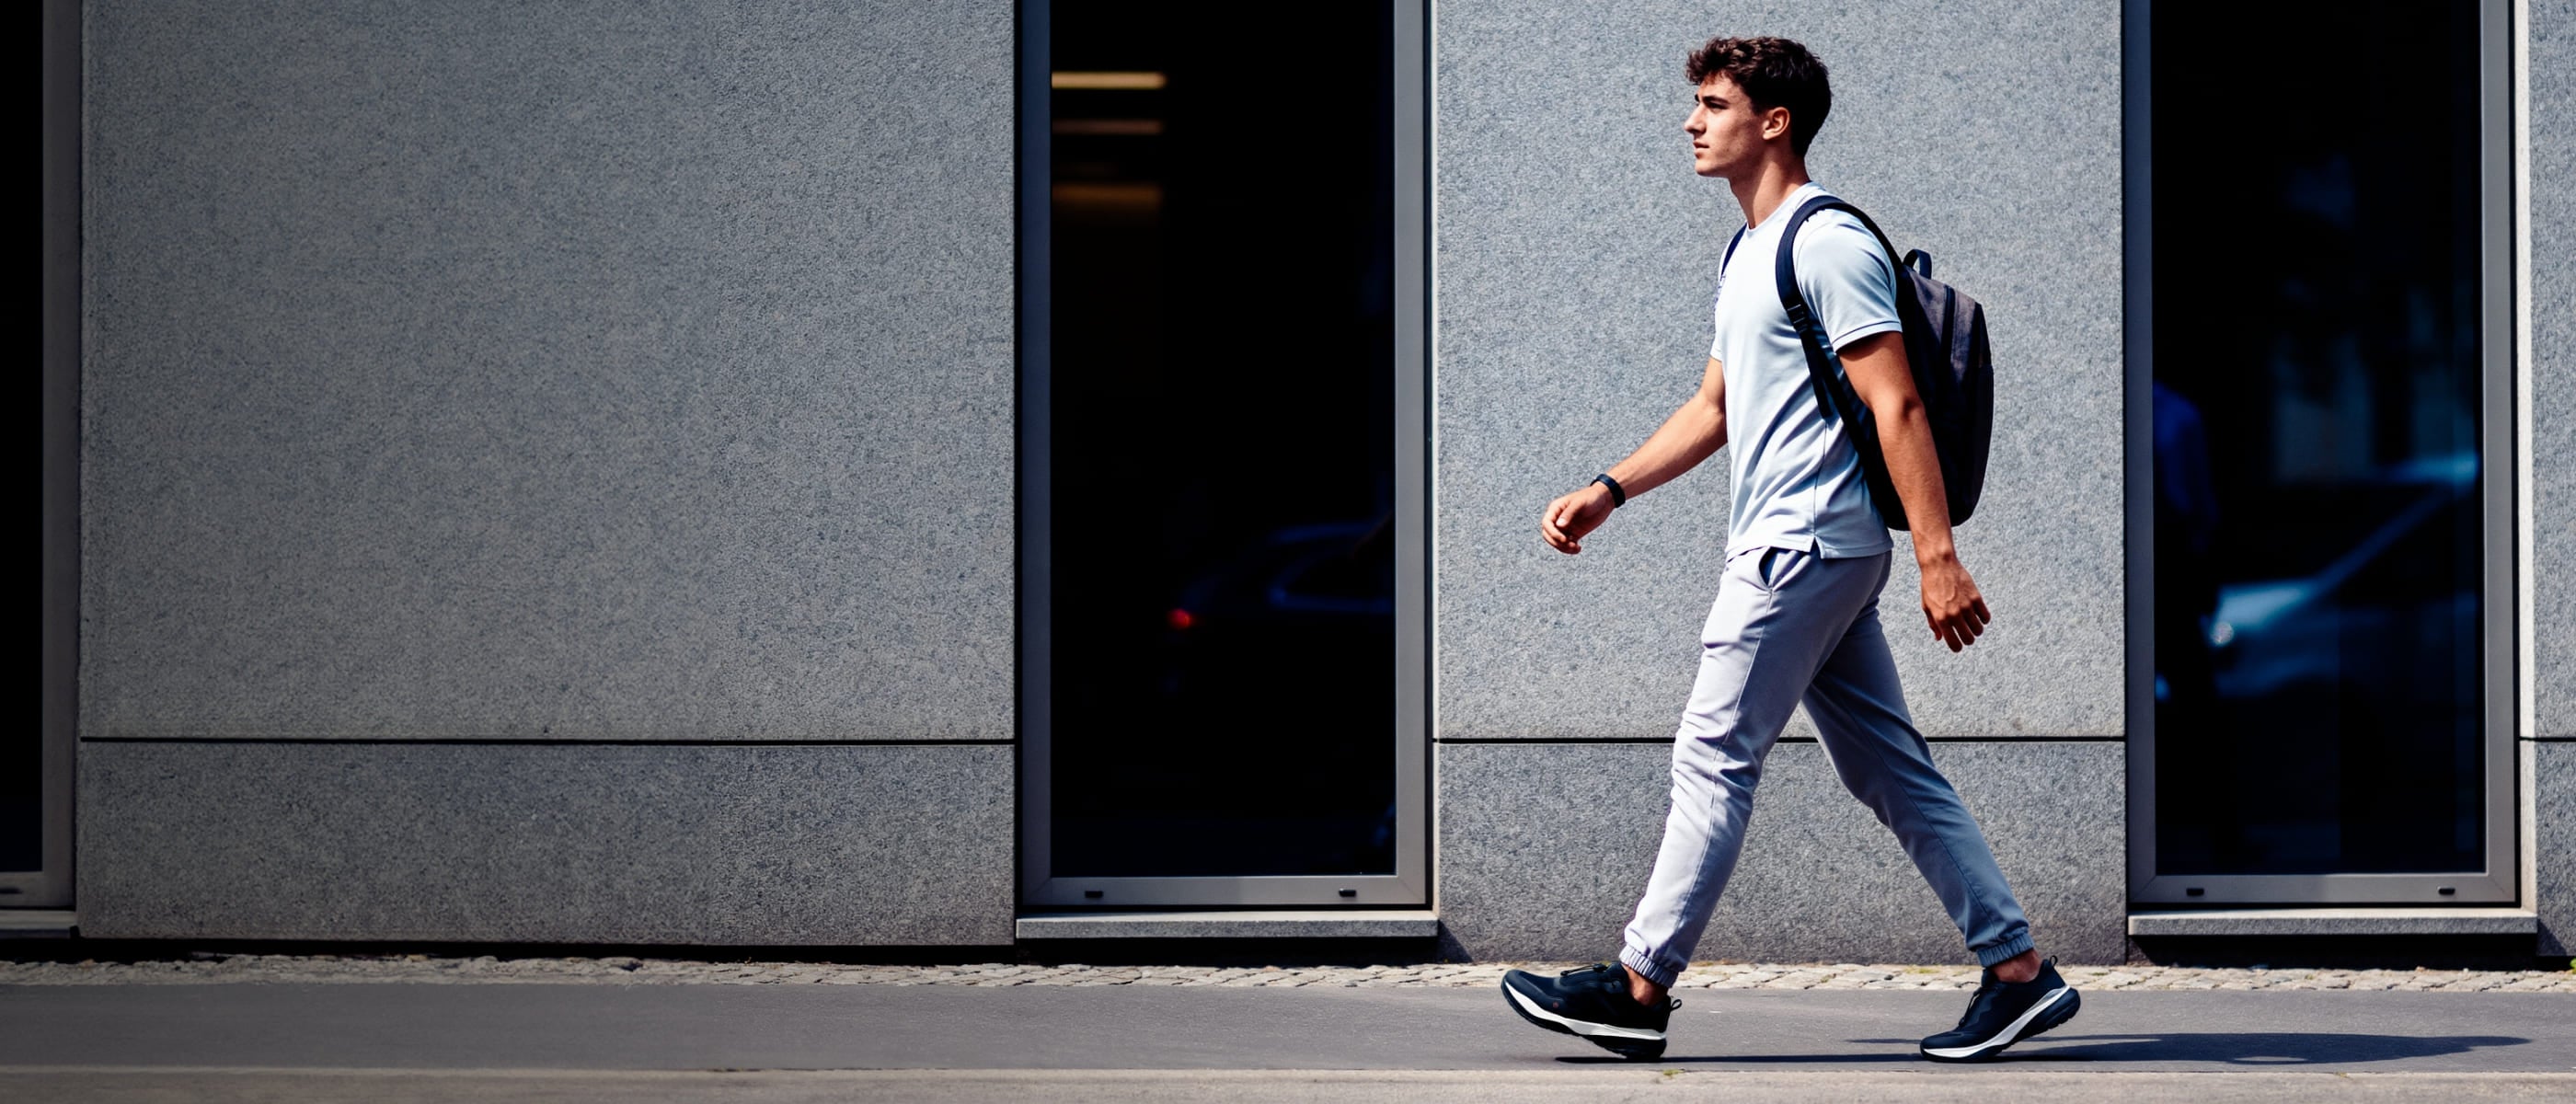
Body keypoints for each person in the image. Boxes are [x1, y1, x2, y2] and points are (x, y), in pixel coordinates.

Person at [1497, 35, 2078, 1064]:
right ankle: (2017, 970)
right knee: (1891, 771)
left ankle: (1638, 983)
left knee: (1712, 756)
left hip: (1799, 548)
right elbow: (1717, 405)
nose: (1691, 121)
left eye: (1713, 103)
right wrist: (1609, 488)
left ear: (1774, 121)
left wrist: (1939, 554)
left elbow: (1894, 399)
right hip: (1814, 550)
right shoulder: (1748, 251)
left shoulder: (1824, 242)